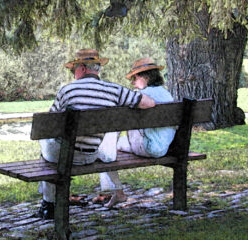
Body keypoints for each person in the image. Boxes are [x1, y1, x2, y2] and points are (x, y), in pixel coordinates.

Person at [37, 49, 157, 219]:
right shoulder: (115, 90)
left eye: (74, 69)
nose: (73, 73)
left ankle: (48, 204)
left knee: (45, 143)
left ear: (83, 69)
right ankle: (49, 202)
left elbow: (50, 124)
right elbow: (149, 103)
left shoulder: (67, 90)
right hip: (90, 155)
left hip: (63, 156)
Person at [117, 57, 176, 158]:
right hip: (164, 147)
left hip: (148, 147)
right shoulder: (167, 94)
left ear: (146, 77)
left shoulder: (141, 96)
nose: (132, 83)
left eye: (134, 78)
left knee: (110, 147)